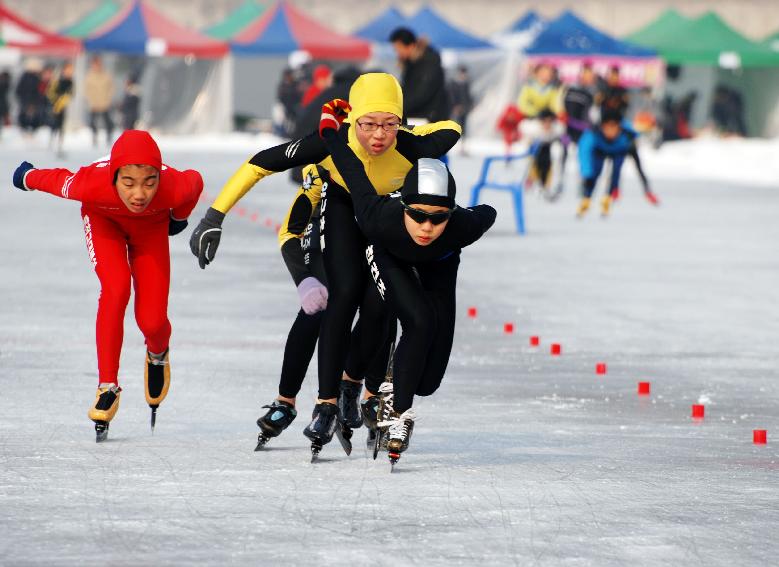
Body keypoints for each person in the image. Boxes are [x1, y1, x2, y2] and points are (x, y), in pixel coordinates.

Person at [189, 73, 462, 455]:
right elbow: (259, 164)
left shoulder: (410, 145)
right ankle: (324, 402)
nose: (379, 136)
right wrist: (214, 216)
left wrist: (412, 131)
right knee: (339, 294)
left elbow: (452, 128)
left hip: (383, 218)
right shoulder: (330, 144)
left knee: (379, 304)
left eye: (389, 124)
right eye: (368, 124)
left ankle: (358, 387)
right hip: (345, 212)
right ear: (352, 120)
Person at [319, 101, 496, 462]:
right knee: (419, 321)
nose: (427, 227)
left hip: (440, 268)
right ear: (404, 207)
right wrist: (330, 129)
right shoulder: (377, 216)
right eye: (417, 215)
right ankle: (398, 415)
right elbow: (350, 166)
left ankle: (393, 387)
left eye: (438, 218)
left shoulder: (464, 226)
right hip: (389, 256)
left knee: (428, 382)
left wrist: (462, 217)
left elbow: (488, 213)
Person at [12, 130, 204, 442]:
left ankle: (158, 353)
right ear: (114, 177)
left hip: (150, 228)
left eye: (149, 182)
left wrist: (178, 218)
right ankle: (107, 386)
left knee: (152, 321)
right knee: (116, 289)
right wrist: (27, 175)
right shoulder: (92, 183)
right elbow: (56, 180)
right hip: (104, 221)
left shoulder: (174, 187)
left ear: (159, 177)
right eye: (128, 183)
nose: (139, 194)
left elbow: (195, 183)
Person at [256, 171, 395, 449]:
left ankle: (371, 397)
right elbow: (289, 230)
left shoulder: (396, 145)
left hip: (377, 226)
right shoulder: (326, 158)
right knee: (318, 306)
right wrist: (302, 279)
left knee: (383, 305)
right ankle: (286, 400)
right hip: (331, 227)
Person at [576, 110, 640, 217]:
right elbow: (584, 151)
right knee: (595, 172)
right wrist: (586, 172)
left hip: (618, 151)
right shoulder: (593, 133)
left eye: (614, 127)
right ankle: (586, 199)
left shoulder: (627, 136)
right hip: (600, 150)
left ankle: (607, 199)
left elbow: (637, 162)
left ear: (619, 127)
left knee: (616, 172)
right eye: (607, 127)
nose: (611, 131)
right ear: (602, 127)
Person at [517, 63, 562, 190]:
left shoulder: (553, 89)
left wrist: (550, 117)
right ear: (537, 73)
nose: (546, 76)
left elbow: (556, 106)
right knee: (533, 153)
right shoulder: (529, 87)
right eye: (543, 73)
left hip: (547, 123)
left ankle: (545, 181)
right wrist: (538, 114)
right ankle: (531, 176)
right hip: (533, 122)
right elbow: (522, 104)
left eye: (549, 73)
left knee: (546, 154)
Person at [389, 27, 450, 122]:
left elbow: (421, 94)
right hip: (418, 117)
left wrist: (396, 108)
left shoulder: (428, 63)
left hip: (430, 120)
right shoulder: (410, 64)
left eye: (398, 49)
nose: (397, 53)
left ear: (410, 46)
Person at [85, 56, 115, 147]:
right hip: (94, 103)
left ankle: (109, 137)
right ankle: (94, 136)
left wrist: (108, 99)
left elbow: (111, 88)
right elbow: (87, 90)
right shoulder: (89, 76)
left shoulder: (106, 75)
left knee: (108, 121)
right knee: (92, 122)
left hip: (104, 102)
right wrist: (91, 100)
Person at [46, 62, 74, 157]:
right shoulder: (58, 80)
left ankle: (59, 143)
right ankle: (51, 141)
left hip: (62, 106)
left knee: (61, 125)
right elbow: (51, 92)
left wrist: (63, 101)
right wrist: (56, 102)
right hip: (55, 105)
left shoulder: (70, 81)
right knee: (54, 124)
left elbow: (70, 94)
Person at [447, 65, 473, 152]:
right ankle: (450, 145)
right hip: (455, 109)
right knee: (453, 127)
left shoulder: (466, 84)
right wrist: (455, 106)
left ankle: (462, 147)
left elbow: (468, 96)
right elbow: (451, 96)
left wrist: (468, 106)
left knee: (463, 127)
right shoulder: (453, 83)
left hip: (464, 109)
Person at [15, 59, 44, 134]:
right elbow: (19, 90)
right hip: (26, 101)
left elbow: (39, 90)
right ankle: (23, 130)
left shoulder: (38, 77)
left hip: (34, 101)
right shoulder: (25, 77)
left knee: (36, 116)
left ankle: (34, 130)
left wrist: (35, 101)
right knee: (24, 115)